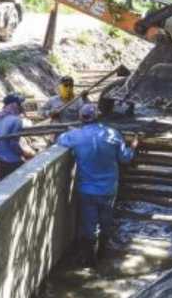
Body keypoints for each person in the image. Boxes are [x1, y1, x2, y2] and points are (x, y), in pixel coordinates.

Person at [56, 103, 134, 266]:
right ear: (98, 116)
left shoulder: (74, 136)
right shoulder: (113, 134)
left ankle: (90, 260)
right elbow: (125, 158)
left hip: (87, 189)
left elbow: (59, 140)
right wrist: (133, 147)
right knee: (106, 220)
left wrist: (71, 131)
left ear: (80, 117)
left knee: (89, 224)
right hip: (108, 189)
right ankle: (103, 253)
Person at [0, 92, 33, 181]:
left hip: (0, 159)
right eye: (21, 103)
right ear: (15, 104)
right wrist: (25, 154)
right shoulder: (16, 120)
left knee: (2, 185)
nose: (23, 106)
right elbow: (13, 144)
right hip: (13, 162)